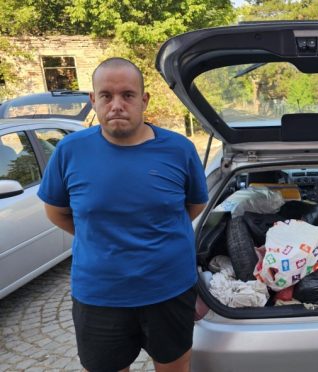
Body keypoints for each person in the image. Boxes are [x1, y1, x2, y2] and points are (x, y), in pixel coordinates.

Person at [38, 57, 208, 372]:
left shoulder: (179, 149)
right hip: (99, 296)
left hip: (169, 290)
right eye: (106, 95)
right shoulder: (69, 151)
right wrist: (99, 236)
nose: (117, 104)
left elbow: (193, 206)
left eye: (128, 95)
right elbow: (56, 211)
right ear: (93, 100)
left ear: (144, 100)